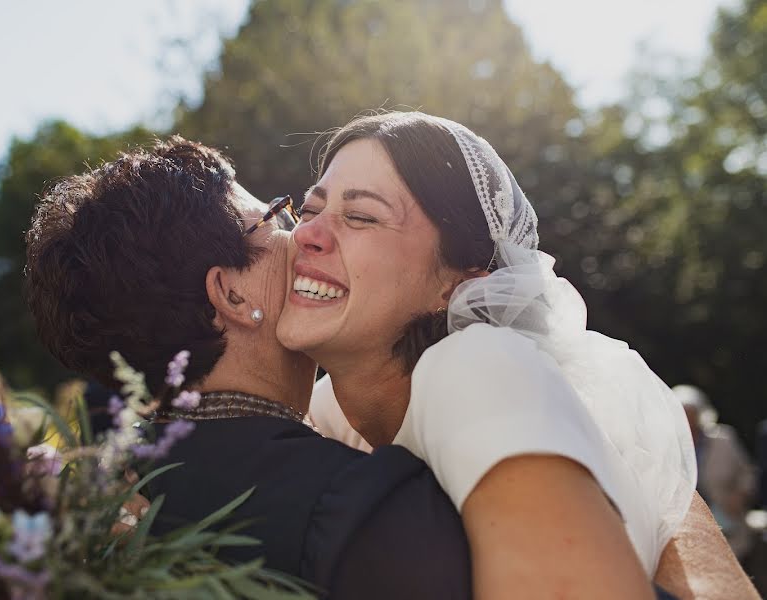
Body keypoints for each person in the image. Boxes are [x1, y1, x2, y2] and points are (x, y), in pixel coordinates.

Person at [276, 111, 757, 598]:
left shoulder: (477, 364)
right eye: (310, 211)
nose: (306, 235)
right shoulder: (335, 411)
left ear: (458, 284)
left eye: (361, 216)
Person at [23, 137, 476, 598]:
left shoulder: (90, 501)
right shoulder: (352, 504)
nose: (303, 234)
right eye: (277, 217)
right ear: (231, 295)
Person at [674, 384, 757, 559]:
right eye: (682, 414)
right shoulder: (669, 445)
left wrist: (740, 494)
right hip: (688, 530)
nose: (688, 420)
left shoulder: (723, 438)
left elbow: (748, 473)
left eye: (691, 414)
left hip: (727, 525)